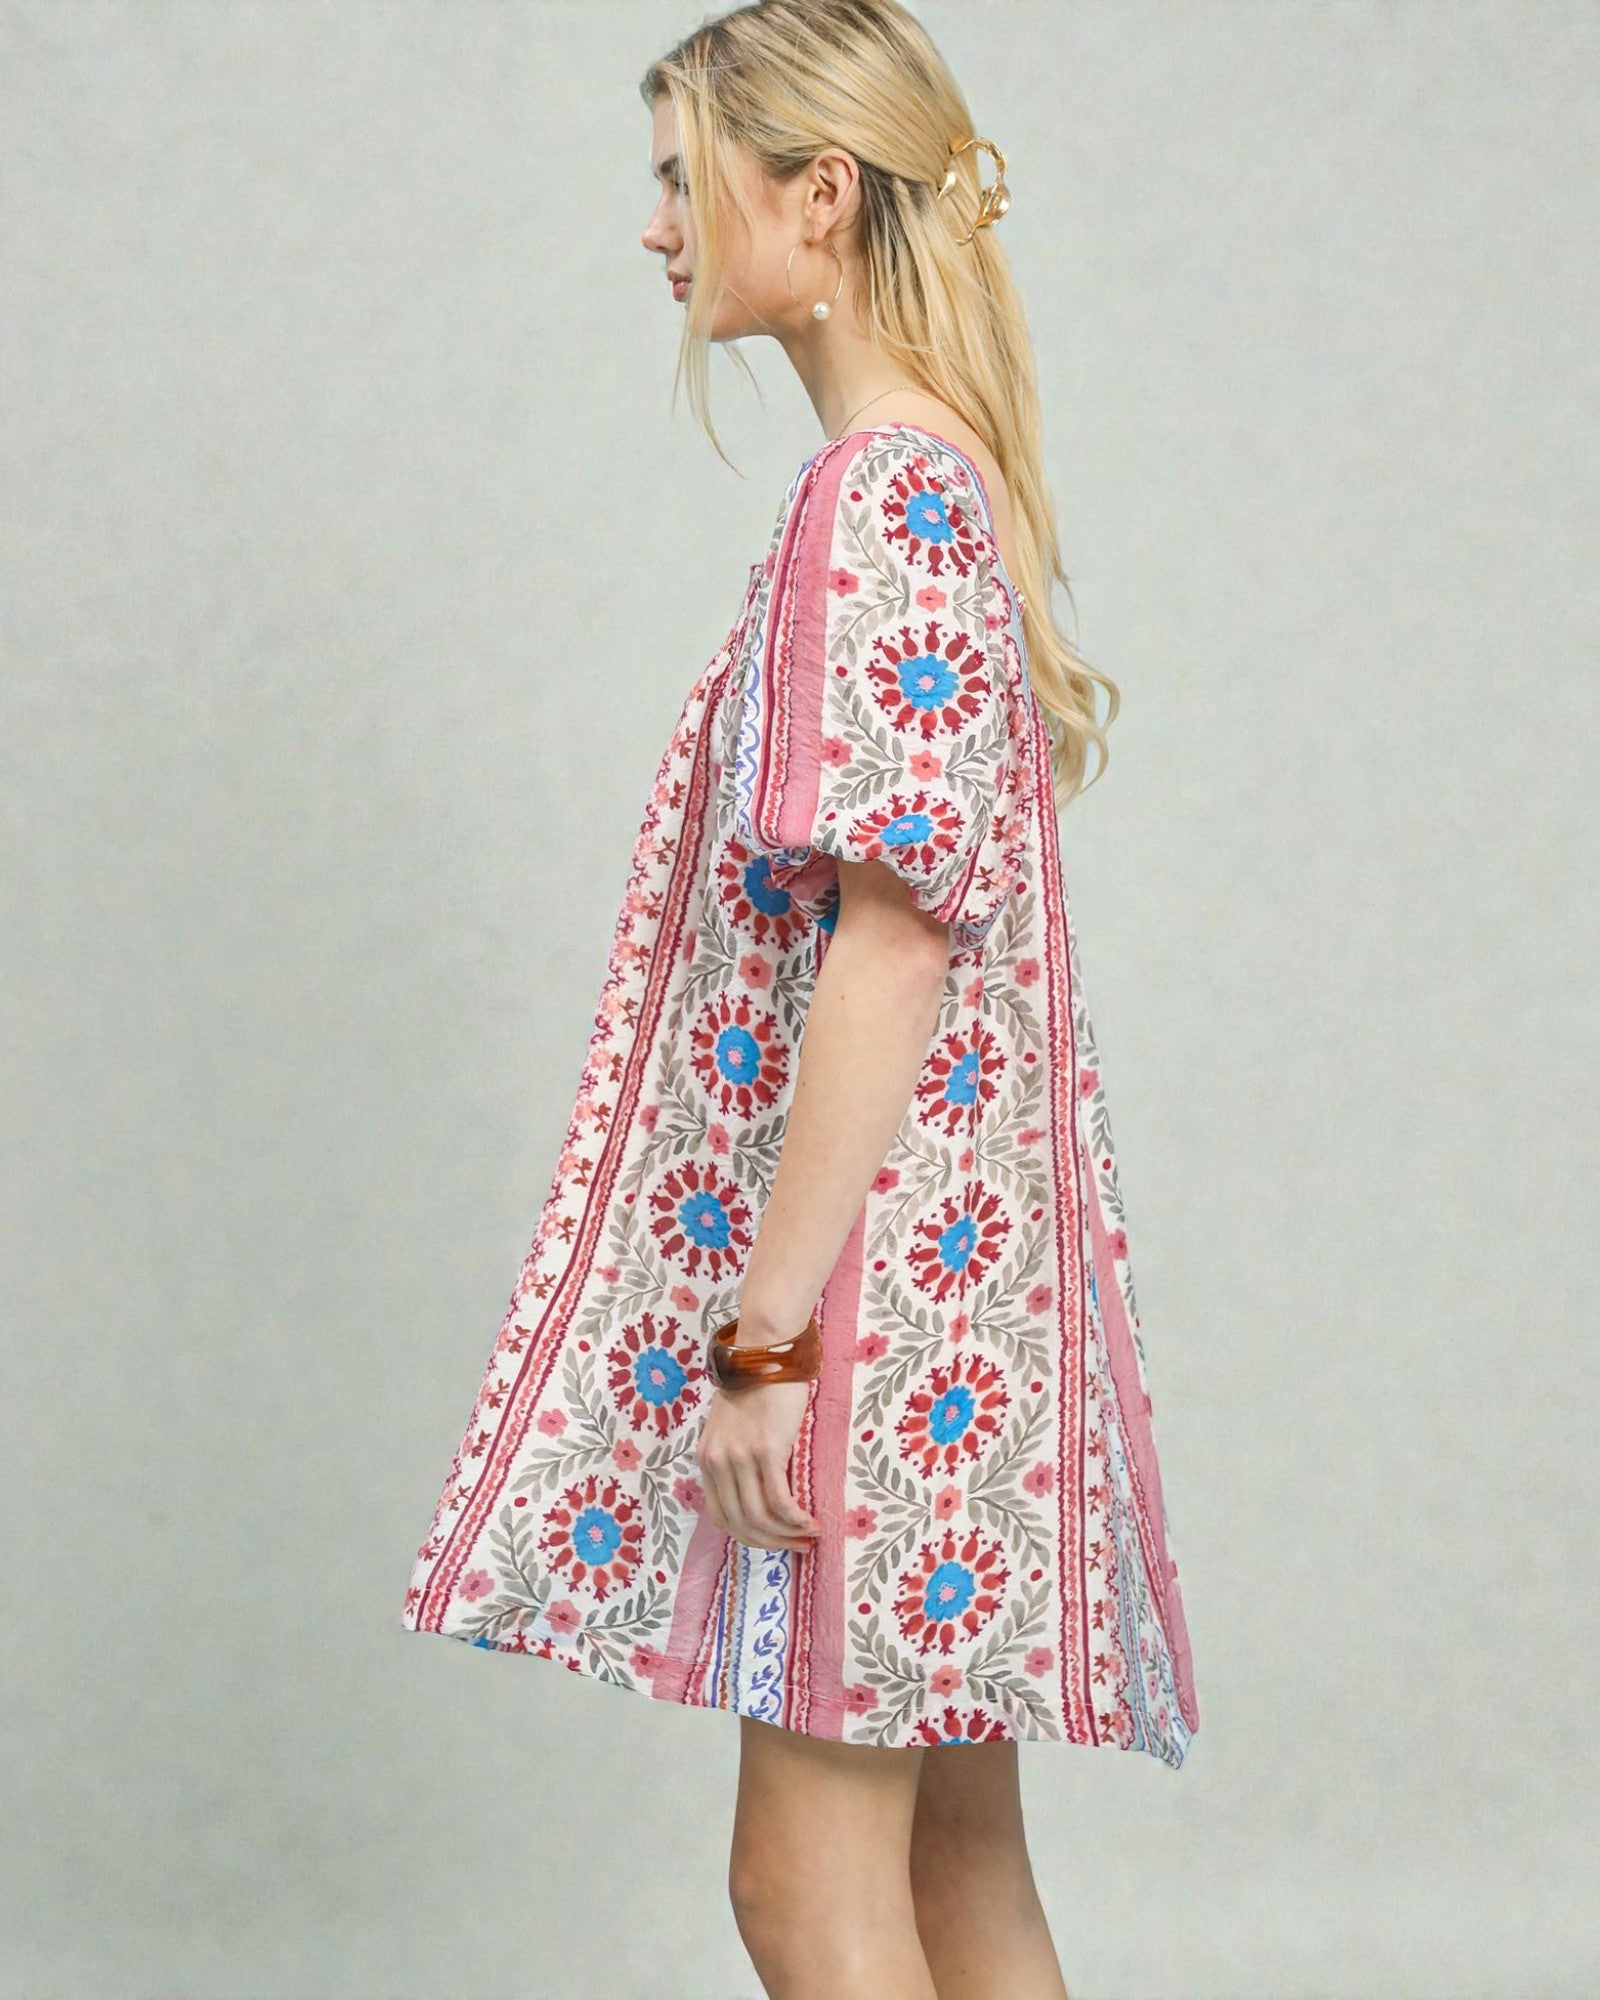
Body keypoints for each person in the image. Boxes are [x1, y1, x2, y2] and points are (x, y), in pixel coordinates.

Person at [400, 3, 1199, 1994]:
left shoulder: (878, 498)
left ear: (816, 192)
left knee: (807, 1891)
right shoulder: (939, 483)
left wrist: (766, 1343)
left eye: (686, 178)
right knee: (959, 1882)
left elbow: (892, 940)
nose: (656, 228)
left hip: (876, 1299)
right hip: (953, 1287)